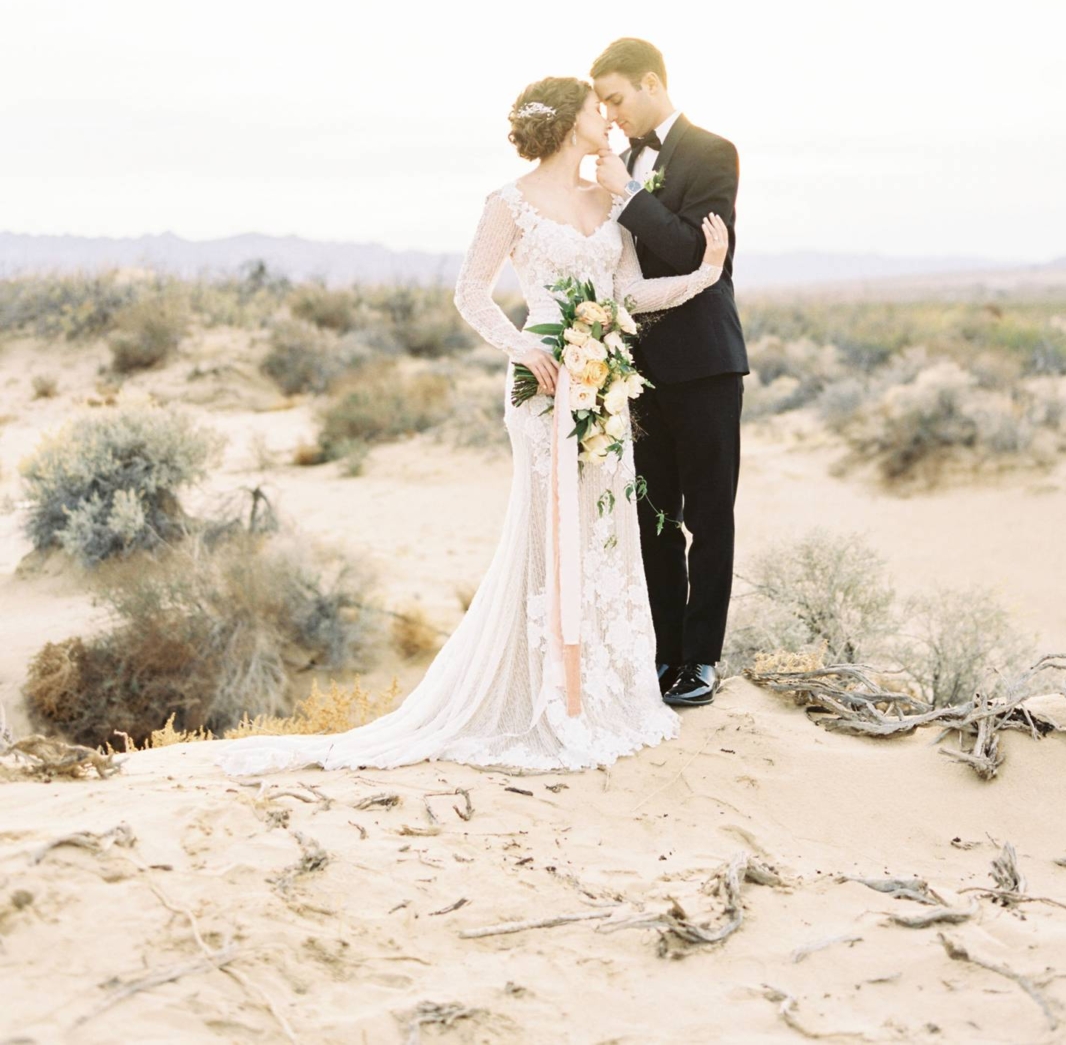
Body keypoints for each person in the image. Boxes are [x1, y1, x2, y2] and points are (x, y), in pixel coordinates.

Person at [212, 76, 728, 777]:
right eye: (591, 109)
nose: (604, 117)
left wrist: (704, 275)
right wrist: (524, 346)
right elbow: (470, 292)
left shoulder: (609, 198)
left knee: (605, 533)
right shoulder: (507, 204)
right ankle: (550, 696)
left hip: (605, 386)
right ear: (563, 125)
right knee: (550, 537)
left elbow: (627, 293)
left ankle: (605, 690)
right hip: (543, 386)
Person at [591, 39, 748, 708]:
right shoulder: (620, 165)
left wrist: (627, 192)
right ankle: (662, 655)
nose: (612, 114)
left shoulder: (713, 152)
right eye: (602, 105)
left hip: (706, 363)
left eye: (617, 99)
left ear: (652, 83)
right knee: (655, 517)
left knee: (709, 516)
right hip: (640, 372)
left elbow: (689, 248)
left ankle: (703, 660)